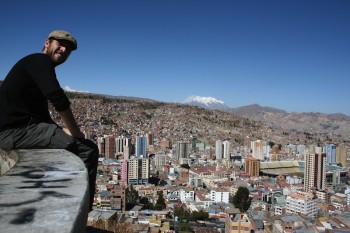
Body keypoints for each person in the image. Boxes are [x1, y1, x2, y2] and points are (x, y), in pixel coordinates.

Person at [0, 30, 98, 211]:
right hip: (12, 133)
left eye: (68, 49)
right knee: (88, 149)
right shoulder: (40, 61)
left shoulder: (34, 66)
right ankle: (81, 210)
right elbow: (57, 98)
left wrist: (60, 129)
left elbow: (41, 116)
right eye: (60, 44)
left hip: (16, 130)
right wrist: (75, 132)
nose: (63, 50)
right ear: (47, 43)